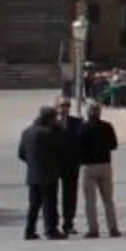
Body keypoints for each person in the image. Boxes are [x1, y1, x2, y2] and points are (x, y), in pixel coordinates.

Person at [17, 106, 66, 241]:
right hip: (49, 173)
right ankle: (51, 230)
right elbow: (58, 150)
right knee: (50, 204)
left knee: (34, 205)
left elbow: (21, 154)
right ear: (50, 119)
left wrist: (32, 163)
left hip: (33, 174)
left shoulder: (27, 132)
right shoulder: (48, 134)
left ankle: (29, 230)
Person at [77, 99, 121, 238]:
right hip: (105, 165)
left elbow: (77, 148)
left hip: (89, 166)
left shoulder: (83, 128)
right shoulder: (107, 127)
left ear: (87, 113)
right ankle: (113, 228)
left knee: (90, 201)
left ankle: (93, 229)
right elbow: (114, 145)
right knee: (108, 200)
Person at [49, 95, 82, 235]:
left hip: (71, 165)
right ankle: (53, 224)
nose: (65, 108)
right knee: (51, 195)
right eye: (63, 105)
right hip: (54, 165)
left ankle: (68, 223)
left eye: (68, 105)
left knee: (70, 195)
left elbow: (82, 141)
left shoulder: (76, 122)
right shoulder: (50, 124)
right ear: (56, 107)